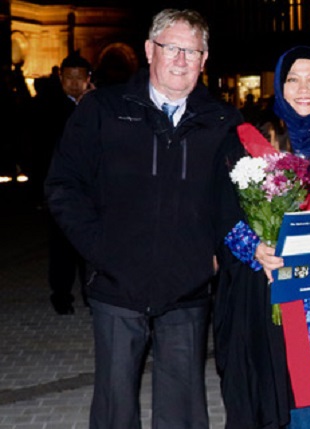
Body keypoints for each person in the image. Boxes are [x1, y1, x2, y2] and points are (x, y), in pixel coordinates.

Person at [44, 9, 243, 428]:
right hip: (117, 284)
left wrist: (216, 254)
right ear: (150, 50)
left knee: (183, 411)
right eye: (172, 47)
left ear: (205, 60)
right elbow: (63, 185)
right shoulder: (104, 109)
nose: (181, 59)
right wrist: (101, 250)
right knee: (115, 406)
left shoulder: (223, 122)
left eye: (193, 51)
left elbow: (236, 200)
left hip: (186, 288)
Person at [214, 45, 310, 429]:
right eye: (293, 79)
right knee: (270, 398)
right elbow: (223, 210)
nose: (303, 89)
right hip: (268, 291)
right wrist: (255, 247)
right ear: (279, 85)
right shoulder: (252, 139)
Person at [34, 52, 93, 315]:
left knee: (91, 245)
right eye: (68, 77)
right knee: (62, 246)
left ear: (88, 79)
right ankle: (61, 295)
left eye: (79, 78)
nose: (73, 83)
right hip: (61, 186)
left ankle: (92, 295)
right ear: (60, 78)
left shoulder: (97, 105)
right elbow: (37, 148)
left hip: (92, 189)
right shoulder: (47, 106)